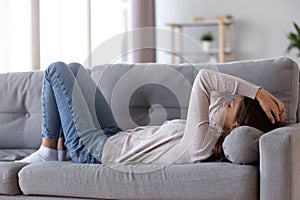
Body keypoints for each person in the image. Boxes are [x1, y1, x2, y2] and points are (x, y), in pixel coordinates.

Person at [17, 62, 286, 164]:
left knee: (56, 70)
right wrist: (251, 97)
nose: (225, 101)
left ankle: (48, 151)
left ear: (235, 126)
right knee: (75, 69)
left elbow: (205, 79)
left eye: (230, 105)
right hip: (115, 136)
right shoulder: (214, 127)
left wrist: (259, 92)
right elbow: (217, 94)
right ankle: (57, 150)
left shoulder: (202, 142)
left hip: (95, 152)